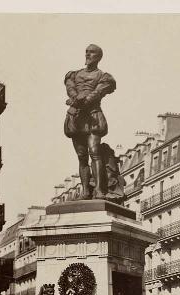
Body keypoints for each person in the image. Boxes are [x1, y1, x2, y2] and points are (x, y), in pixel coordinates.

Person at [64, 44, 117, 200]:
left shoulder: (104, 76)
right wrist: (75, 97)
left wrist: (85, 99)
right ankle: (86, 191)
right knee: (81, 156)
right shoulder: (73, 74)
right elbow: (70, 88)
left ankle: (100, 190)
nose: (88, 54)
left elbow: (99, 91)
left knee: (94, 151)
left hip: (93, 116)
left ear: (99, 57)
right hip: (76, 116)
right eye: (86, 51)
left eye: (92, 52)